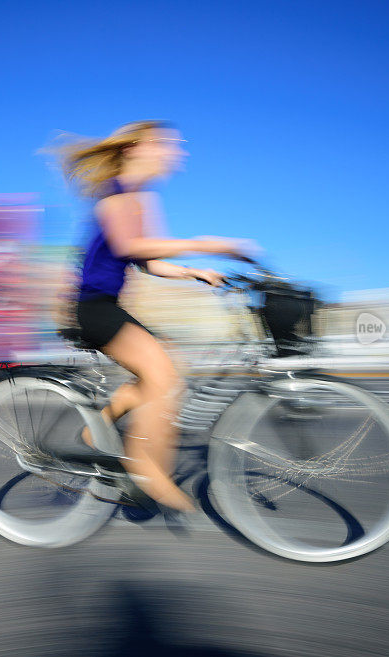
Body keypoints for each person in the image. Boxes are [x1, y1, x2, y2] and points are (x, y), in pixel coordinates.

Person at [57, 120, 254, 512]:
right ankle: (146, 471)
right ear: (135, 148)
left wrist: (193, 271)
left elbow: (147, 260)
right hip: (91, 308)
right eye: (167, 145)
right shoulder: (113, 194)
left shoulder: (142, 198)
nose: (176, 153)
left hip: (110, 306)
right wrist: (204, 244)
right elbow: (129, 243)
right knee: (162, 378)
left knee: (167, 369)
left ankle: (96, 430)